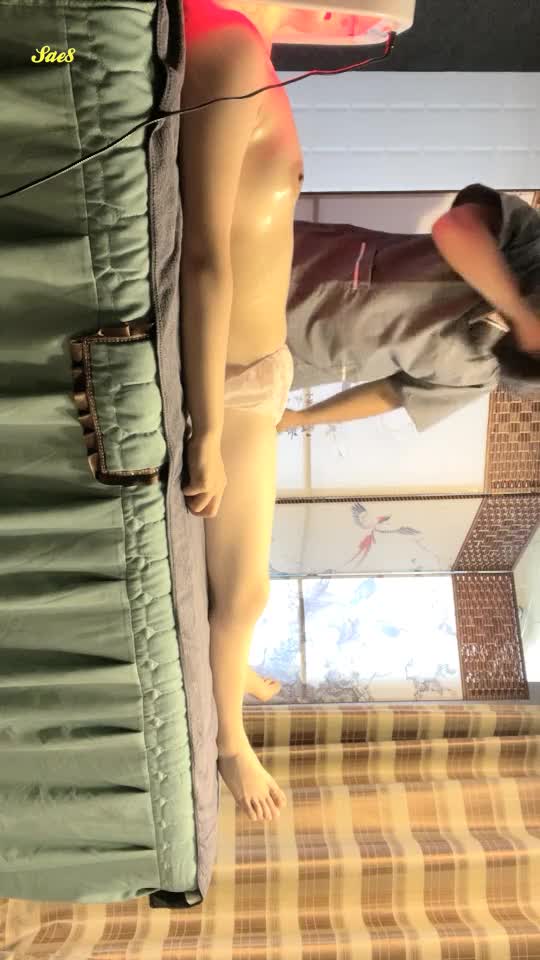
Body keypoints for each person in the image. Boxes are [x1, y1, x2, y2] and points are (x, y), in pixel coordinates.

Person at [179, 0, 305, 823]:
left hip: (257, 372)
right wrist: (208, 428)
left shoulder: (240, 46)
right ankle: (229, 742)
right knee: (247, 593)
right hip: (233, 383)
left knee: (248, 592)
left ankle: (238, 673)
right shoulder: (224, 47)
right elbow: (204, 254)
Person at [279, 184, 540, 434]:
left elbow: (391, 394)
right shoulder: (528, 247)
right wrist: (518, 313)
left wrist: (304, 418)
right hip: (300, 273)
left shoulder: (481, 378)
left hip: (289, 357)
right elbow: (454, 228)